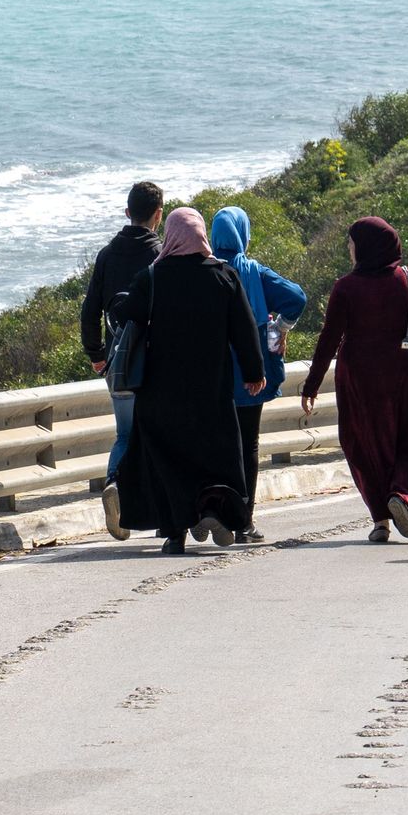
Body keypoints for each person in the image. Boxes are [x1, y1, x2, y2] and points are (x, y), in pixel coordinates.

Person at [110, 208, 267, 555]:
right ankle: (213, 510)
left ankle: (175, 534)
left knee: (168, 460)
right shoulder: (224, 276)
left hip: (161, 390)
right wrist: (255, 372)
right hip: (211, 387)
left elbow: (125, 313)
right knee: (216, 454)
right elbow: (244, 328)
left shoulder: (152, 277)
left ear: (170, 236)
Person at [299, 217, 408, 544]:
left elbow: (328, 340)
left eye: (351, 243)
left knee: (364, 447)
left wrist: (311, 386)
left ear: (364, 246)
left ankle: (381, 520)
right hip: (402, 374)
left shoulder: (345, 287)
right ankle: (405, 496)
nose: (349, 249)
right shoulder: (407, 279)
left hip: (357, 380)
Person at [210, 206, 307, 543]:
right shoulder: (254, 272)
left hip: (212, 377)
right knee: (247, 444)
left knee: (216, 446)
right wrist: (280, 326)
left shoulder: (204, 270)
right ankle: (244, 522)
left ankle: (214, 511)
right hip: (251, 377)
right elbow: (296, 297)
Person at [79, 180, 163, 541]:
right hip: (156, 364)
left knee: (125, 434)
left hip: (118, 360)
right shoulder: (161, 254)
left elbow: (89, 309)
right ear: (158, 215)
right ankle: (162, 513)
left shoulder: (107, 254)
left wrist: (97, 354)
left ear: (127, 212)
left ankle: (114, 481)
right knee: (158, 436)